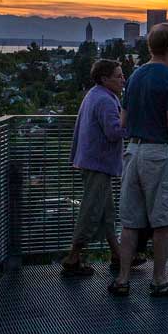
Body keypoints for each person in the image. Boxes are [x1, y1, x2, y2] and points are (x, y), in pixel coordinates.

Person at [113, 23, 168, 298]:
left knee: (131, 221)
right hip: (159, 154)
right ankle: (159, 280)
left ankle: (122, 279)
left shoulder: (134, 77)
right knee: (162, 221)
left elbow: (123, 121)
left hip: (132, 152)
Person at [62, 59, 127, 277]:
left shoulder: (94, 94)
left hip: (91, 161)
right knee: (91, 210)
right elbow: (113, 132)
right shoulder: (106, 101)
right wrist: (128, 118)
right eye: (118, 76)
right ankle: (73, 257)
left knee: (106, 213)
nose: (122, 79)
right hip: (98, 164)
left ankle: (118, 255)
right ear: (104, 78)